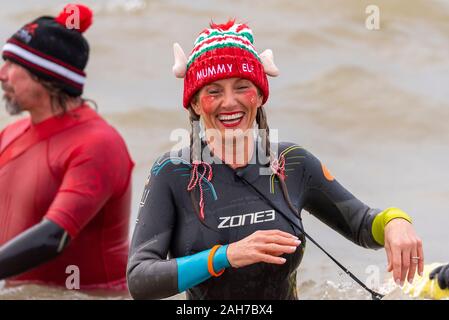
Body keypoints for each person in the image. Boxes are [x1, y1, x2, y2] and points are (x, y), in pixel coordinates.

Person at [127, 20, 423, 299]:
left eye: (242, 86)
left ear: (259, 94)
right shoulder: (172, 173)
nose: (230, 102)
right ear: (194, 102)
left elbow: (360, 223)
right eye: (214, 91)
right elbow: (140, 279)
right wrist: (226, 256)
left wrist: (395, 222)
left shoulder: (293, 163)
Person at [0, 4, 134, 290]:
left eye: (12, 64)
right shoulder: (10, 134)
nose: (2, 74)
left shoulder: (98, 144)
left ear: (46, 77)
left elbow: (54, 237)